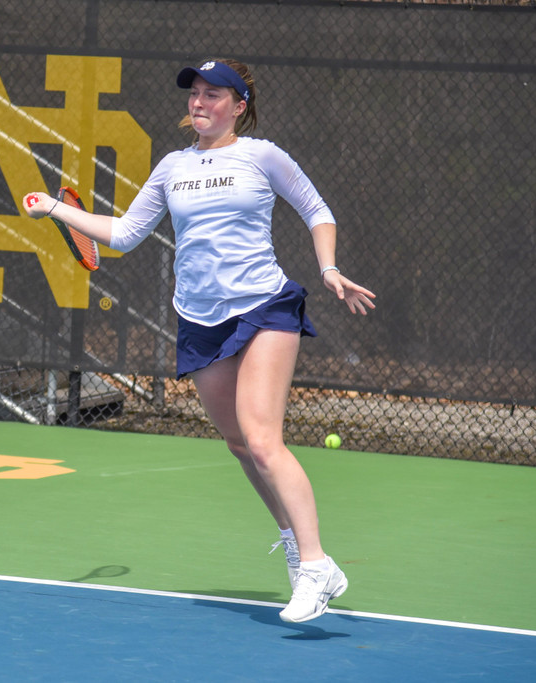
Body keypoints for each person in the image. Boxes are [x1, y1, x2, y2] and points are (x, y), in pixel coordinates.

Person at [22, 58, 376, 623]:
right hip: (199, 319)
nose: (199, 102)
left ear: (238, 106)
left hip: (264, 306)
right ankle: (293, 544)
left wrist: (329, 268)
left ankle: (316, 565)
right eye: (195, 93)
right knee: (239, 445)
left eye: (214, 94)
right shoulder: (172, 167)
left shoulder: (262, 155)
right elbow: (127, 234)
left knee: (263, 440)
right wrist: (57, 209)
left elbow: (316, 209)